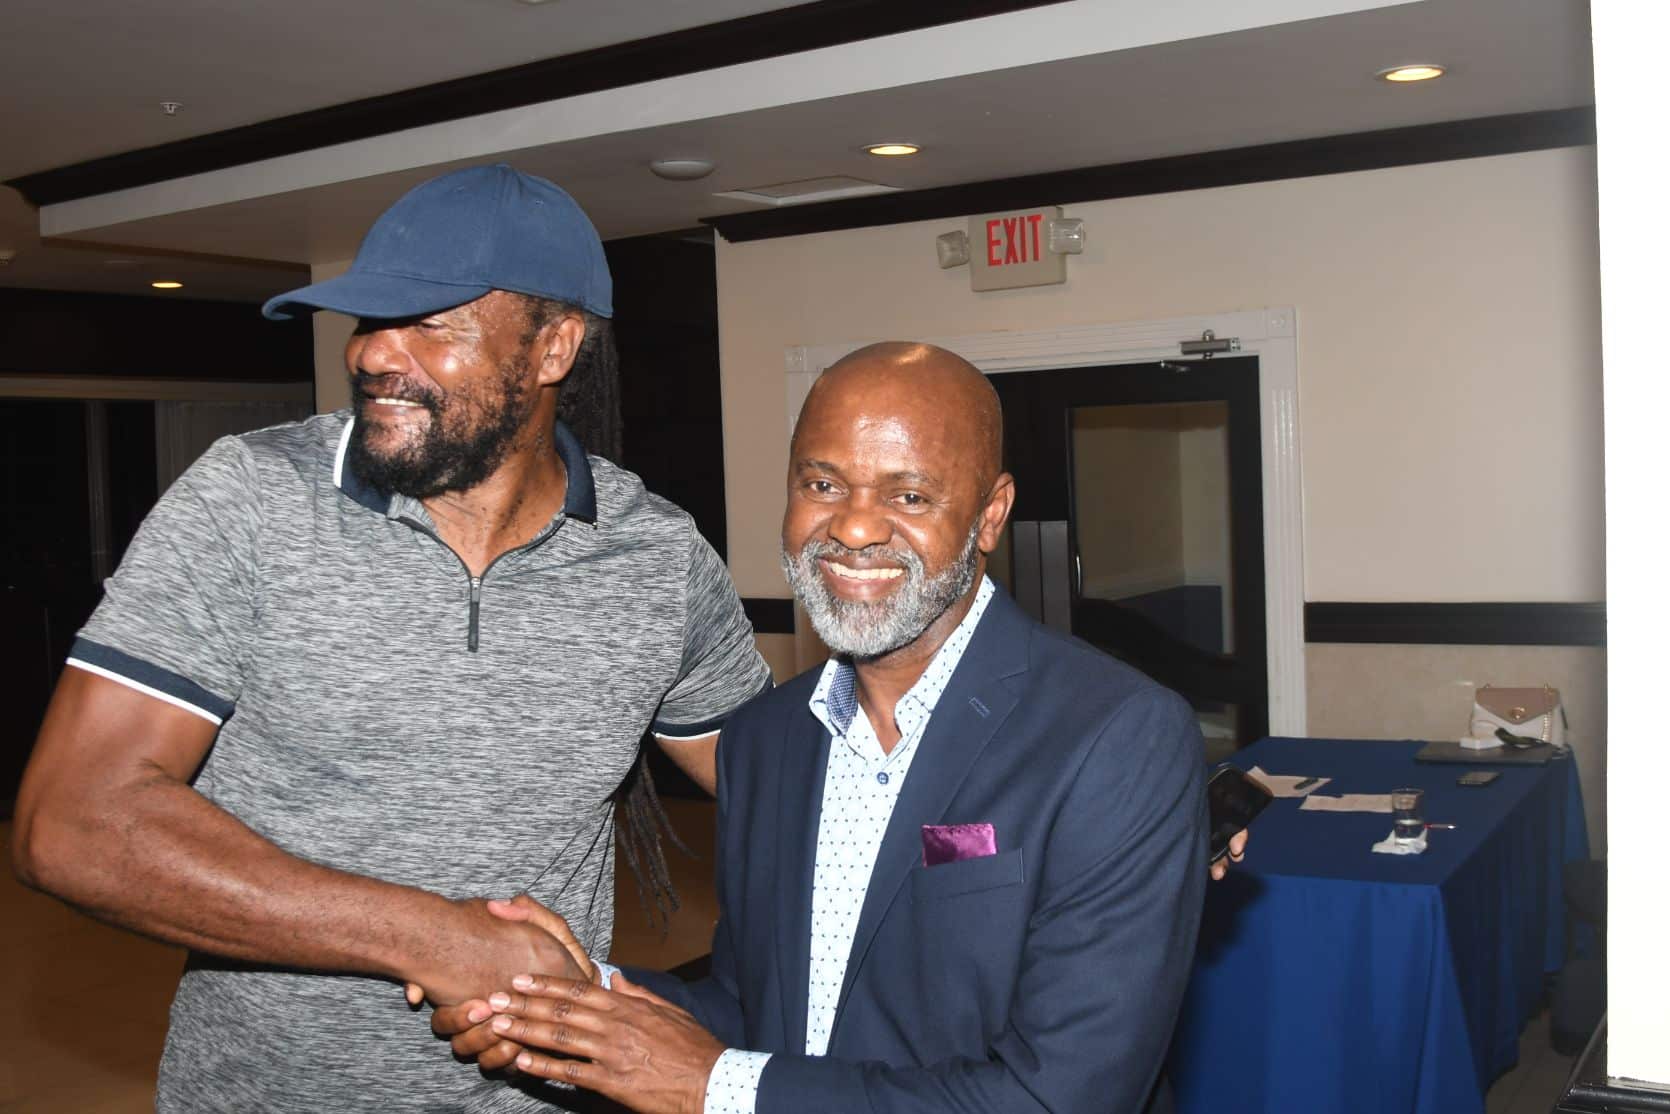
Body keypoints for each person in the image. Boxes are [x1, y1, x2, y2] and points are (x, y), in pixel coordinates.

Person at [9, 164, 771, 1112]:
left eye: (429, 324)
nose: (372, 352)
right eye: (372, 319)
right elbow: (75, 823)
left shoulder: (654, 554)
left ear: (554, 348)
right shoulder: (250, 501)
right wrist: (435, 939)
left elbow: (786, 789)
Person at [439, 342, 1213, 1113]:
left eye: (909, 496)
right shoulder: (765, 741)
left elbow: (1061, 1098)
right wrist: (570, 1000)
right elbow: (755, 1013)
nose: (854, 527)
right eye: (822, 484)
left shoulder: (1116, 739)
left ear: (990, 515)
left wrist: (713, 1088)